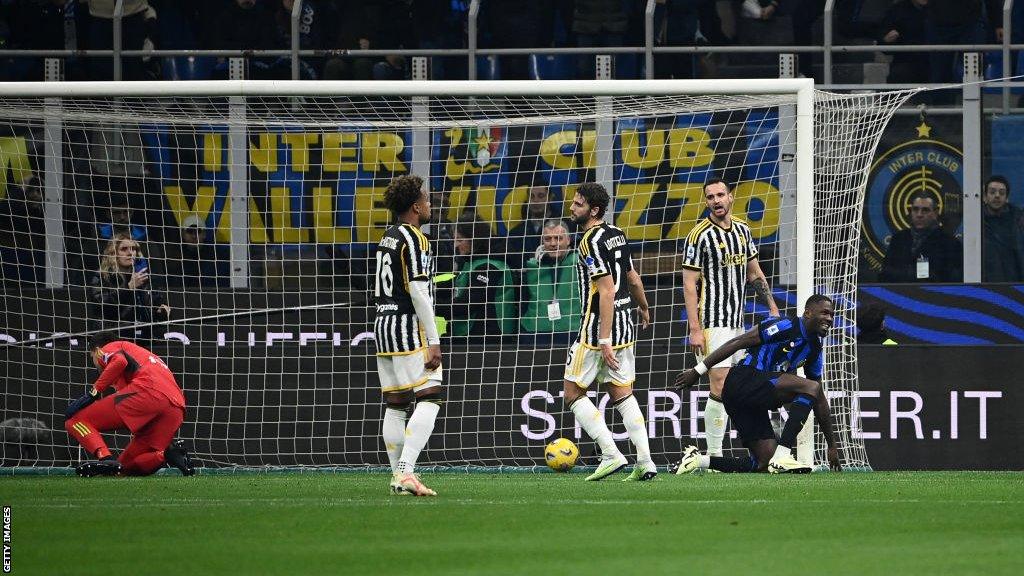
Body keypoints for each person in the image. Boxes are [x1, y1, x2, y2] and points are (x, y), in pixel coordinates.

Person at [671, 294, 842, 474]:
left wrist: (832, 445)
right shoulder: (785, 326)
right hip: (742, 380)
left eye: (832, 315)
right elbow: (737, 342)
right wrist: (698, 371)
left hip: (751, 397)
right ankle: (783, 454)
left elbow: (819, 398)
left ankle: (699, 460)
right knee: (811, 387)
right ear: (808, 313)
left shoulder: (815, 347)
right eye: (825, 313)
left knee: (763, 463)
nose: (829, 319)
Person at [562, 183, 656, 482]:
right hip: (626, 324)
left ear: (594, 210)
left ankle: (611, 453)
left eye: (578, 204)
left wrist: (602, 339)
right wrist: (643, 306)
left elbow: (605, 290)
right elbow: (632, 276)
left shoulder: (589, 242)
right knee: (622, 393)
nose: (572, 208)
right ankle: (645, 460)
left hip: (597, 327)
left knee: (573, 392)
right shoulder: (617, 233)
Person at [681, 177, 779, 459]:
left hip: (738, 323)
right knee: (720, 385)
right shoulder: (698, 236)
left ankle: (757, 448)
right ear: (706, 201)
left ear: (731, 196)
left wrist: (772, 308)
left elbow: (755, 273)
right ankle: (713, 455)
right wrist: (695, 328)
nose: (716, 201)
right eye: (710, 197)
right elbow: (689, 284)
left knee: (740, 387)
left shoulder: (742, 230)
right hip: (712, 323)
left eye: (720, 195)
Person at [373, 175, 444, 497]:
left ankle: (396, 477)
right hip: (406, 325)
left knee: (397, 403)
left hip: (382, 325)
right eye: (426, 200)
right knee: (430, 396)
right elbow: (418, 291)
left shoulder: (387, 237)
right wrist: (433, 340)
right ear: (416, 206)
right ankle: (406, 472)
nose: (429, 205)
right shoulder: (416, 238)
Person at [64, 331, 193, 477]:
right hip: (176, 408)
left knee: (74, 420)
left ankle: (105, 458)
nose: (94, 361)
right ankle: (168, 455)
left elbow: (119, 361)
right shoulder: (145, 357)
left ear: (95, 350)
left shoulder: (107, 348)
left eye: (91, 356)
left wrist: (93, 392)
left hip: (149, 391)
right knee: (121, 470)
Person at [437, 216, 517, 337]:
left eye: (459, 240)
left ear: (474, 239)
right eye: (454, 240)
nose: (455, 245)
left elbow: (468, 304)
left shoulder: (489, 267)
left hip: (488, 339)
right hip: (470, 334)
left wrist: (429, 306)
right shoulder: (470, 262)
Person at [89, 233, 171, 344]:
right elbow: (101, 305)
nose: (130, 253)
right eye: (124, 249)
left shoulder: (142, 276)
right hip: (113, 336)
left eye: (133, 249)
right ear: (113, 253)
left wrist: (161, 310)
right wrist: (128, 288)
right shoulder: (102, 276)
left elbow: (152, 303)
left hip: (141, 337)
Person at [880, 191, 963, 282]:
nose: (919, 214)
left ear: (935, 213)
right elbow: (885, 275)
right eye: (915, 209)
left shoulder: (949, 244)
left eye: (925, 210)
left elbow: (953, 280)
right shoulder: (898, 240)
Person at [521, 219, 581, 335]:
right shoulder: (532, 266)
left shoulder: (580, 262)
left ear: (568, 240)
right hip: (535, 331)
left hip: (573, 330)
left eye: (558, 238)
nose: (553, 244)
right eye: (548, 239)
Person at [163, 214, 230, 289]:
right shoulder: (176, 257)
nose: (194, 236)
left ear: (204, 234)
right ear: (183, 234)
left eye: (198, 231)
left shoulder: (217, 256)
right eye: (190, 231)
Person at [981, 175, 1024, 282]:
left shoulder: (1018, 222)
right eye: (992, 192)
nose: (997, 196)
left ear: (1007, 198)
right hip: (984, 286)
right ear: (984, 197)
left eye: (1002, 193)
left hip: (1015, 285)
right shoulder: (975, 221)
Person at [507, 185, 560, 269]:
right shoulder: (516, 233)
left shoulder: (563, 228)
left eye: (541, 196)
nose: (536, 201)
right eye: (532, 196)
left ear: (550, 198)